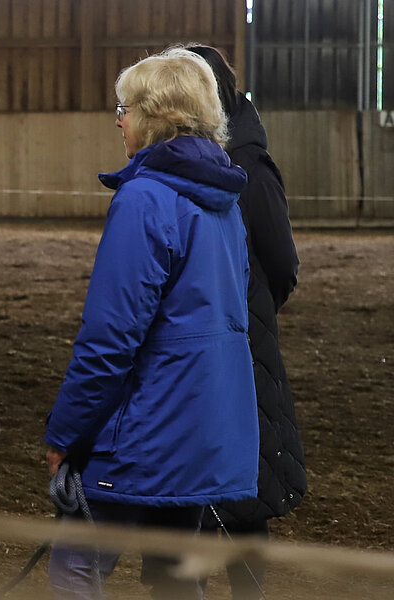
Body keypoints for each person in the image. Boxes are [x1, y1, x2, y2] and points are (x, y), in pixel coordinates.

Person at [43, 47, 259, 600]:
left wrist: (66, 434)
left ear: (155, 115)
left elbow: (110, 339)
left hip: (145, 431)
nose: (119, 122)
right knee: (175, 579)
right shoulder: (226, 204)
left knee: (75, 569)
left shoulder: (144, 199)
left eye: (125, 109)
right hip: (205, 432)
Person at [185, 44, 306, 600]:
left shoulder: (252, 170)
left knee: (244, 497)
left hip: (243, 349)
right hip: (202, 352)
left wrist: (245, 315)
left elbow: (281, 265)